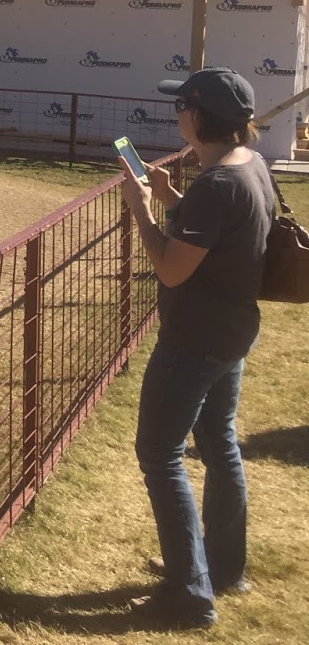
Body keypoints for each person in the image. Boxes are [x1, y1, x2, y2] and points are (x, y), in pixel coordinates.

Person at [118, 66, 272, 629]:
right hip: (230, 333)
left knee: (159, 454)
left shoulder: (217, 184)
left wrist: (140, 207)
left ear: (200, 116)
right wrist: (171, 198)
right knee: (219, 443)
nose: (176, 113)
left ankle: (189, 595)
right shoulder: (248, 165)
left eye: (181, 105)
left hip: (194, 340)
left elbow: (171, 269)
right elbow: (218, 235)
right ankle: (221, 568)